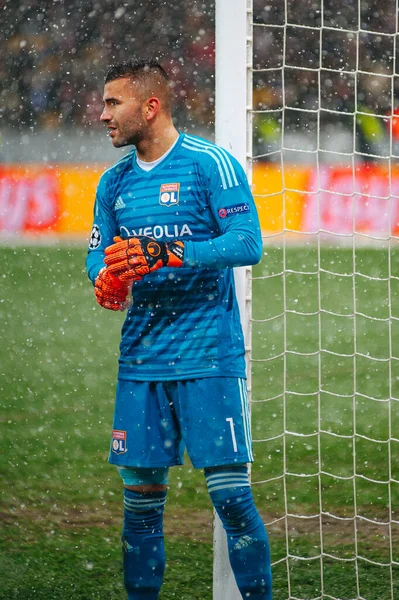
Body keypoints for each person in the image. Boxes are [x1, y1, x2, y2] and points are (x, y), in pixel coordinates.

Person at [86, 58, 272, 600]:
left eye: (112, 103)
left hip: (209, 356)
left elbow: (247, 243)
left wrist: (169, 252)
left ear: (151, 106)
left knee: (232, 500)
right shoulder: (113, 182)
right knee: (141, 504)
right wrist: (107, 281)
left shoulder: (210, 165)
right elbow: (98, 256)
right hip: (141, 364)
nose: (102, 116)